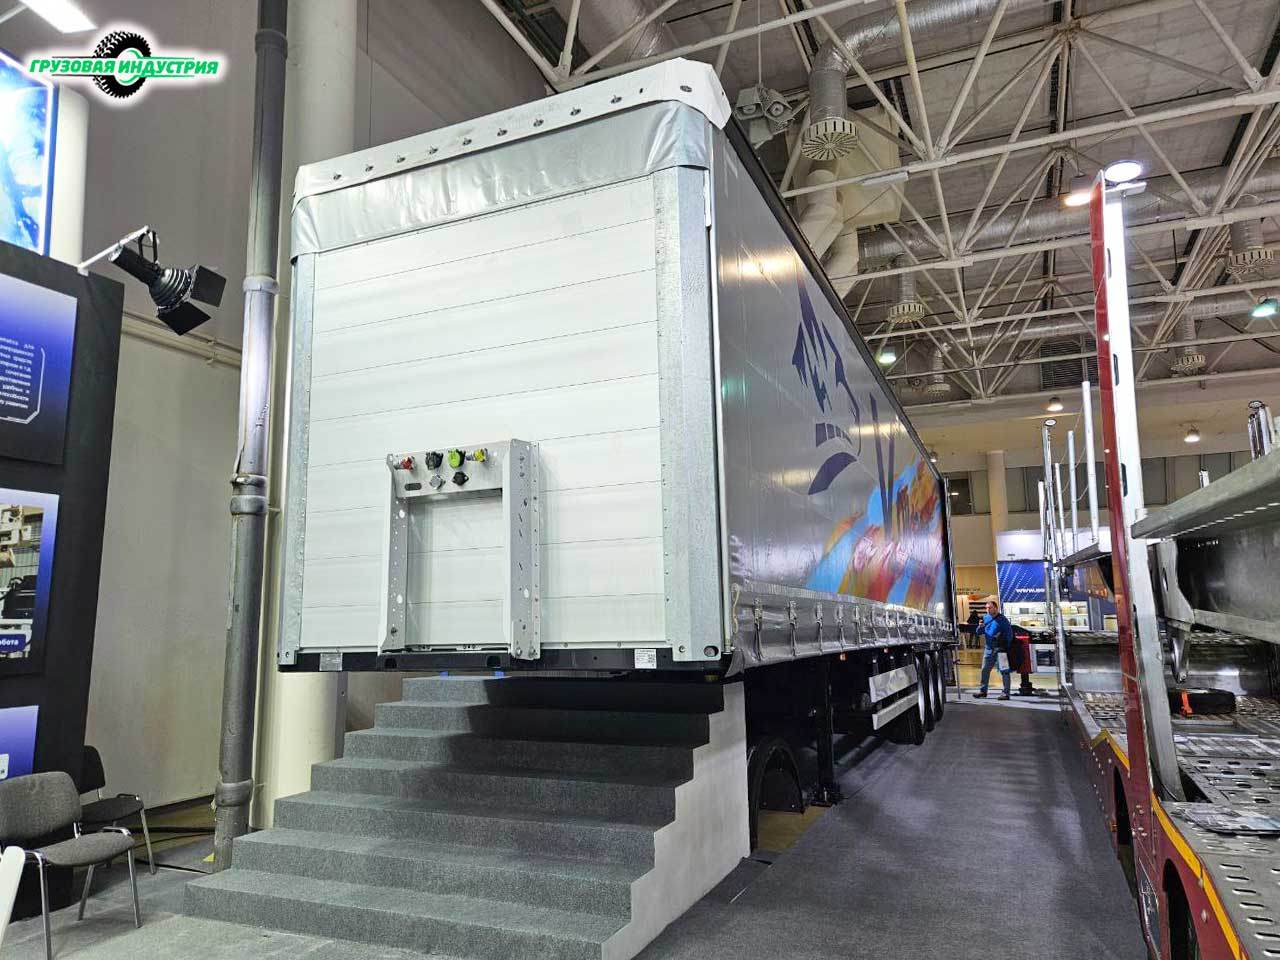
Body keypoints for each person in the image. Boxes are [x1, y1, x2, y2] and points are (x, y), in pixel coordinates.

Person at [974, 596, 1014, 700]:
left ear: (996, 608)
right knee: (985, 670)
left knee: (1004, 671)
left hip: (1001, 650)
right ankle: (983, 691)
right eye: (986, 608)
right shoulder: (985, 618)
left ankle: (1006, 693)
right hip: (988, 649)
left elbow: (1009, 634)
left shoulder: (1002, 620)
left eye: (990, 608)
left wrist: (1005, 647)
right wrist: (980, 627)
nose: (988, 610)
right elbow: (978, 632)